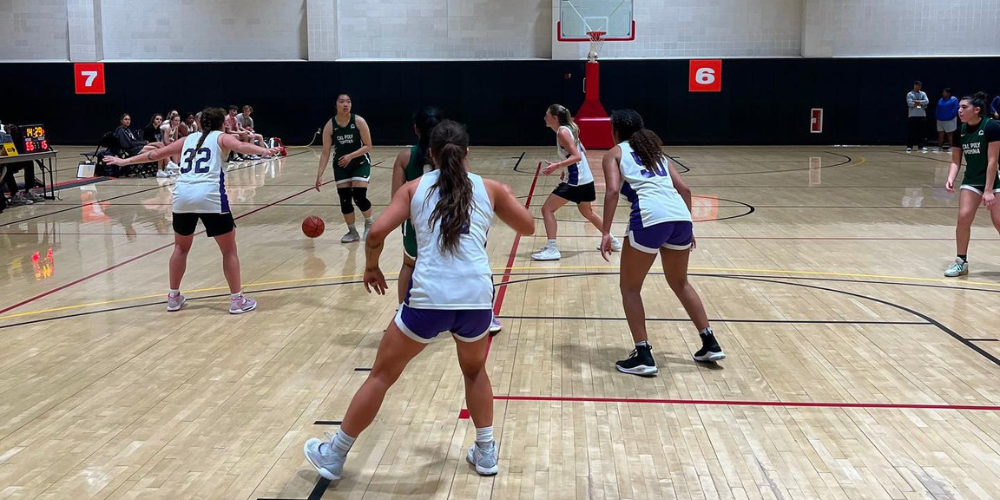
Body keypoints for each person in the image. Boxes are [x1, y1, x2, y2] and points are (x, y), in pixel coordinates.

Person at [303, 120, 534, 481]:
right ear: (467, 153)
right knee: (474, 371)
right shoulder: (491, 189)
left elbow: (377, 232)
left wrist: (371, 267)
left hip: (429, 297)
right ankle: (486, 452)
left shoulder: (414, 189)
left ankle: (334, 455)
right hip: (476, 298)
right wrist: (501, 199)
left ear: (430, 154)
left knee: (381, 375)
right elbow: (528, 226)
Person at [104, 108, 279, 313]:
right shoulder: (221, 137)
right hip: (210, 196)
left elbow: (156, 154)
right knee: (229, 250)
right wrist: (264, 151)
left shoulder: (187, 139)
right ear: (221, 124)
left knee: (180, 248)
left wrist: (124, 161)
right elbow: (241, 145)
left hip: (182, 197)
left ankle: (173, 297)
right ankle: (237, 300)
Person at [599, 109, 725, 376]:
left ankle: (643, 353)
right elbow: (686, 190)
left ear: (615, 130)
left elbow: (611, 191)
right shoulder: (658, 154)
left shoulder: (614, 153)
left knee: (630, 288)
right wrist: (689, 227)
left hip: (649, 217)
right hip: (681, 218)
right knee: (681, 283)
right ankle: (709, 341)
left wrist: (605, 232)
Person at [532, 104, 621, 261]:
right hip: (585, 179)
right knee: (588, 212)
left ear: (554, 118)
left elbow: (577, 156)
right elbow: (582, 151)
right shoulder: (570, 129)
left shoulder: (562, 132)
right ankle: (612, 241)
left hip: (576, 181)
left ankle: (552, 249)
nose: (544, 118)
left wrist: (557, 166)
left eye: (547, 115)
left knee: (547, 209)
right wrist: (565, 169)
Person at [943, 92, 1000, 277]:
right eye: (959, 107)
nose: (960, 110)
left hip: (995, 179)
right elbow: (955, 160)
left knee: (998, 221)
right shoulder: (961, 131)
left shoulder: (992, 126)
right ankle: (961, 262)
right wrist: (951, 177)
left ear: (977, 110)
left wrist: (989, 190)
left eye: (964, 107)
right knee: (963, 218)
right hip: (972, 180)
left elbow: (993, 161)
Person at [314, 93, 375, 243]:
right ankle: (352, 232)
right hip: (341, 165)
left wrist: (350, 156)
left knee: (359, 196)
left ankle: (369, 224)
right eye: (341, 102)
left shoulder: (359, 121)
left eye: (348, 101)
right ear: (336, 105)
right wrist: (319, 175)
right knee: (345, 200)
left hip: (360, 162)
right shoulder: (330, 125)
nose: (345, 104)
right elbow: (325, 152)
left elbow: (368, 146)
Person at [907, 81, 930, 153]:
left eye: (920, 86)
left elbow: (927, 101)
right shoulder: (910, 94)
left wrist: (917, 101)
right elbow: (910, 103)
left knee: (922, 132)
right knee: (911, 132)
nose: (918, 87)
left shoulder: (923, 93)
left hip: (921, 115)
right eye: (917, 85)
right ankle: (909, 146)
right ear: (914, 86)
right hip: (913, 115)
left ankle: (921, 145)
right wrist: (921, 103)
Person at [936, 88, 959, 152]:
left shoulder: (954, 100)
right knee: (940, 133)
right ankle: (939, 147)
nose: (943, 93)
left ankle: (952, 147)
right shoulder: (940, 100)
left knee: (950, 134)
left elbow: (956, 108)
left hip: (949, 120)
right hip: (940, 119)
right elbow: (938, 108)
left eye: (944, 92)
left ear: (948, 93)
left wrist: (951, 116)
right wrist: (937, 115)